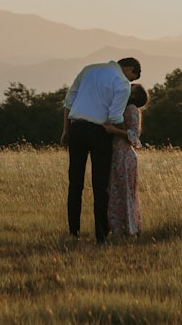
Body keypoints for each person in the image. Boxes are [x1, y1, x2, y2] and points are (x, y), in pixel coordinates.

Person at [61, 57, 141, 243]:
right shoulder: (121, 83)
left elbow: (68, 101)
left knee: (75, 184)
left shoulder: (89, 68)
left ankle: (74, 232)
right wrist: (123, 132)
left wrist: (65, 130)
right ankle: (101, 235)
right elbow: (114, 115)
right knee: (100, 186)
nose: (130, 82)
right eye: (132, 76)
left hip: (77, 129)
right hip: (99, 133)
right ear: (129, 69)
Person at [103, 83, 148, 238]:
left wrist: (113, 130)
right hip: (116, 154)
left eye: (131, 87)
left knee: (124, 193)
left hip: (124, 156)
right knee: (115, 193)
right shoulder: (121, 108)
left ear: (134, 95)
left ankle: (128, 230)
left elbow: (134, 136)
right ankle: (118, 229)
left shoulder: (132, 109)